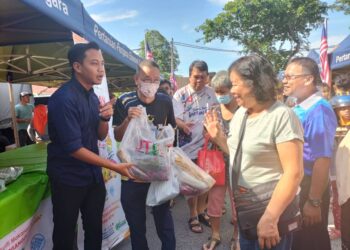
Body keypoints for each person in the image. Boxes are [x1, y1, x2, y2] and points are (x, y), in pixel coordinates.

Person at [204, 54, 304, 250]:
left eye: (234, 84)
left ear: (255, 83)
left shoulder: (281, 116)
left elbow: (294, 173)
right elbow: (239, 156)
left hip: (269, 215)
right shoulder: (242, 113)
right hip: (247, 213)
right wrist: (219, 139)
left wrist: (270, 217)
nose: (231, 91)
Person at [47, 42, 133, 250]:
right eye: (94, 63)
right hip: (67, 177)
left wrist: (104, 118)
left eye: (102, 63)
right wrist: (115, 167)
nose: (101, 69)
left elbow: (100, 137)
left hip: (92, 176)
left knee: (94, 228)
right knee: (65, 233)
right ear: (77, 67)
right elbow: (74, 149)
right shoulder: (63, 99)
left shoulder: (93, 97)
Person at [113, 59, 176, 250]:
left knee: (163, 220)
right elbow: (117, 135)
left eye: (155, 79)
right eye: (147, 79)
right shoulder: (124, 101)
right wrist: (127, 119)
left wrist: (170, 156)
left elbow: (171, 130)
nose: (151, 84)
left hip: (158, 173)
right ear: (136, 79)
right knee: (137, 225)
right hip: (132, 174)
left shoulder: (165, 100)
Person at [283, 57, 337, 250]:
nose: (284, 80)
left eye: (290, 76)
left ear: (308, 79)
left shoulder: (318, 110)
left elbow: (322, 160)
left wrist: (314, 201)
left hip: (310, 185)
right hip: (298, 184)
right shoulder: (299, 107)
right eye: (284, 76)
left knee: (311, 241)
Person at [172, 60, 217, 233]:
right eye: (196, 77)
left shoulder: (211, 93)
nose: (199, 81)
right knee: (191, 183)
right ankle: (192, 214)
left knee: (205, 181)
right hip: (187, 146)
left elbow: (216, 113)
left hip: (207, 145)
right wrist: (182, 125)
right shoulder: (180, 94)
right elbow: (174, 117)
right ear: (190, 76)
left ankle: (201, 210)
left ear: (207, 77)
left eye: (203, 77)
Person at [202, 70, 239, 250]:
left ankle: (237, 237)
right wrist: (210, 133)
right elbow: (206, 135)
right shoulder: (213, 112)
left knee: (237, 202)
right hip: (217, 164)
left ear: (232, 90)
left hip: (237, 165)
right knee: (215, 201)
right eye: (217, 92)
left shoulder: (243, 112)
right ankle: (215, 234)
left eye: (223, 91)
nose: (220, 95)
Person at [330, 94, 350, 250]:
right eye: (342, 108)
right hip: (336, 175)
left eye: (348, 108)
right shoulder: (330, 127)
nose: (346, 111)